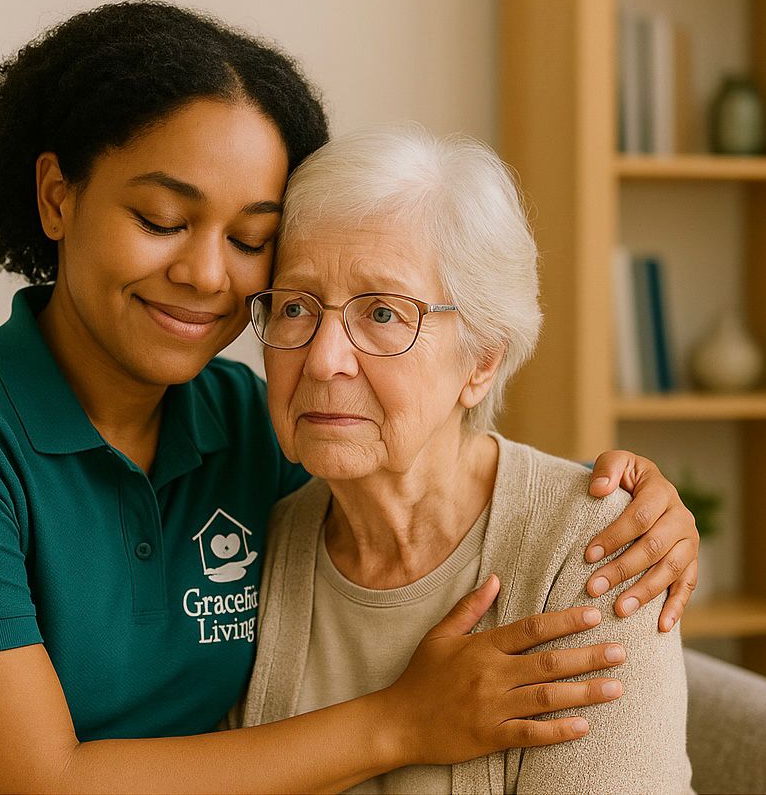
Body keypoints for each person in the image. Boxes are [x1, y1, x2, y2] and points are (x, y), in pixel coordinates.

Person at [0, 2, 698, 794]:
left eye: (251, 240)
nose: (208, 274)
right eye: (161, 217)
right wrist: (401, 722)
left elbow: (414, 455)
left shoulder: (252, 422)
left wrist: (633, 500)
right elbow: (34, 786)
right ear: (56, 196)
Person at [235, 124, 693, 793]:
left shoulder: (598, 549)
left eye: (383, 314)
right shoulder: (257, 541)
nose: (324, 359)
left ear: (481, 360)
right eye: (296, 307)